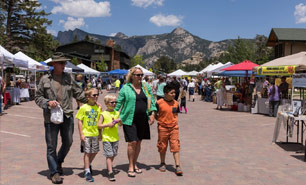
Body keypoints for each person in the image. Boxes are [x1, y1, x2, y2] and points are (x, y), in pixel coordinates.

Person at [35, 53, 90, 184]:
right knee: (51, 146)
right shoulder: (45, 79)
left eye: (64, 63)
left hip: (67, 115)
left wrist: (90, 101)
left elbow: (78, 93)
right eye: (61, 63)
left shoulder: (69, 78)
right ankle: (54, 172)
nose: (64, 65)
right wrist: (47, 103)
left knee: (69, 141)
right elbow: (38, 97)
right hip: (51, 118)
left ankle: (59, 161)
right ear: (54, 64)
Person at [115, 67, 156, 177]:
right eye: (138, 75)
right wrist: (113, 115)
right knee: (132, 142)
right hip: (129, 118)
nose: (140, 77)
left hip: (142, 119)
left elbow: (151, 100)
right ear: (132, 76)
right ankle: (130, 166)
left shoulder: (146, 87)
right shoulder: (126, 88)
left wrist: (152, 113)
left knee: (138, 142)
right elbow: (119, 103)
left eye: (141, 75)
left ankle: (135, 163)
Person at [154, 84, 183, 176]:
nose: (174, 94)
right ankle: (162, 163)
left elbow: (176, 114)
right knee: (162, 146)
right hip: (163, 128)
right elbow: (155, 114)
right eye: (172, 93)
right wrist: (160, 121)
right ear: (165, 93)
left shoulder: (176, 103)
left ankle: (178, 166)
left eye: (174, 92)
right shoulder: (159, 103)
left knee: (175, 146)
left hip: (174, 128)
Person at [76, 88, 102, 182]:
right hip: (86, 133)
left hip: (95, 133)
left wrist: (100, 133)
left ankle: (88, 164)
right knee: (87, 152)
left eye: (97, 95)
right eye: (94, 95)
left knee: (95, 151)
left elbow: (99, 120)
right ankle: (87, 171)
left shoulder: (99, 107)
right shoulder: (83, 107)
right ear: (87, 97)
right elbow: (79, 121)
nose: (96, 97)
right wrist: (81, 134)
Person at [98, 94, 122, 181]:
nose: (114, 104)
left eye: (116, 102)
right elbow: (99, 125)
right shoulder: (103, 114)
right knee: (109, 155)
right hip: (107, 137)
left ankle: (109, 166)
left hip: (115, 137)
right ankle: (110, 172)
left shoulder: (117, 113)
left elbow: (120, 125)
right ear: (106, 103)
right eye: (112, 102)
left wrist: (120, 121)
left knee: (113, 154)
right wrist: (108, 125)